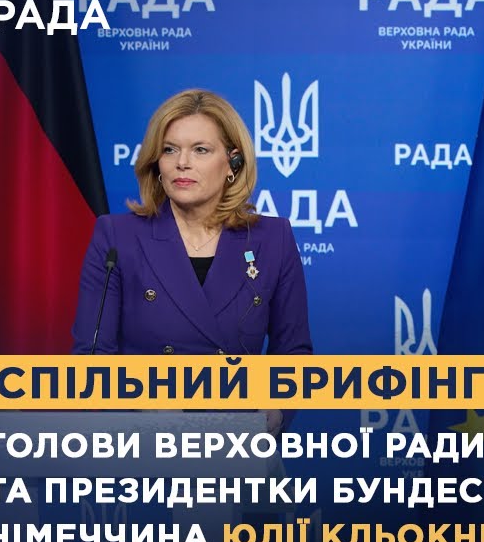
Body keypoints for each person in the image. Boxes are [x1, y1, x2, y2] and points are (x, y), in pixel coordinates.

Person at [70, 88, 312, 433]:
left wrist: (277, 405)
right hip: (143, 441)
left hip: (236, 440)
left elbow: (293, 352)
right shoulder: (116, 237)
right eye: (170, 149)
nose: (182, 162)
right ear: (157, 163)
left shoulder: (273, 239)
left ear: (233, 163)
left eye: (201, 150)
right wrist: (142, 404)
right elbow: (92, 358)